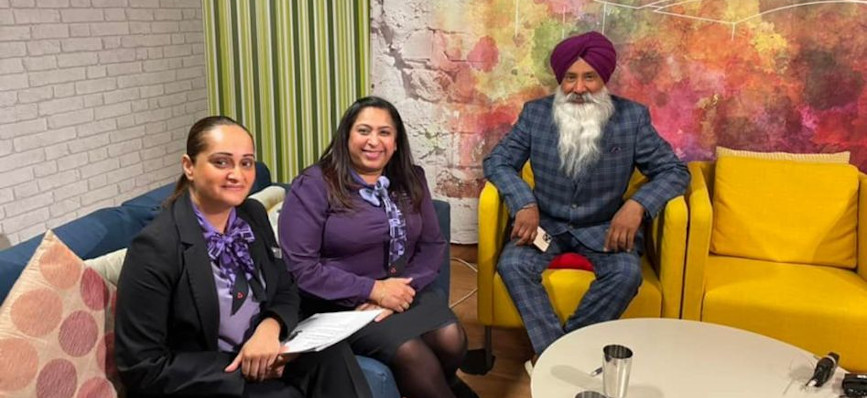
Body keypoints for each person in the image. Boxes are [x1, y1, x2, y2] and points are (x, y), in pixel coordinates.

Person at [114, 116, 372, 398]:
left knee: (333, 356)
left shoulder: (252, 215)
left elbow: (285, 286)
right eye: (221, 162)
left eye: (246, 162)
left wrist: (270, 326)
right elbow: (142, 366)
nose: (237, 174)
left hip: (268, 347)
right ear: (189, 166)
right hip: (212, 376)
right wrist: (248, 365)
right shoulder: (155, 247)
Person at [483, 31, 690, 367]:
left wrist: (636, 205)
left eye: (589, 77)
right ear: (560, 80)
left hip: (603, 227)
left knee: (626, 274)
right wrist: (524, 202)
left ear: (603, 79)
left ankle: (559, 351)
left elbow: (674, 171)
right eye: (570, 78)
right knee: (512, 264)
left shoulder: (632, 118)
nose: (578, 89)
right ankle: (556, 355)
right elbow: (497, 161)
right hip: (544, 222)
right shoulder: (535, 114)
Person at [279, 96, 477, 398]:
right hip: (341, 304)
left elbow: (433, 244)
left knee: (453, 339)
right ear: (346, 137)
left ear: (396, 142)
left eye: (384, 132)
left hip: (403, 292)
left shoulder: (411, 178)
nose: (374, 141)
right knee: (413, 356)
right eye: (364, 131)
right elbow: (302, 269)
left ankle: (444, 384)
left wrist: (398, 291)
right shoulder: (314, 185)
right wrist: (374, 290)